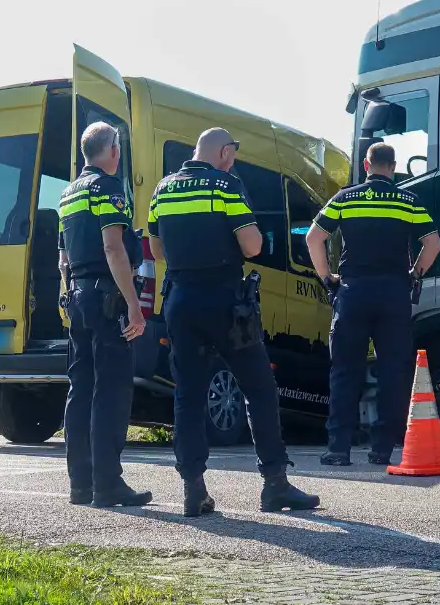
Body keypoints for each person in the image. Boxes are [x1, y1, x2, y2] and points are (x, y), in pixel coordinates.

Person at [147, 127, 320, 517]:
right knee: (258, 388)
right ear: (224, 152)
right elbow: (253, 245)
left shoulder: (163, 189)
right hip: (225, 302)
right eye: (234, 154)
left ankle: (194, 489)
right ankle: (274, 484)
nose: (234, 161)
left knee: (188, 395)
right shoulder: (226, 186)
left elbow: (157, 248)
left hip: (179, 301)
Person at [304, 142, 440, 466]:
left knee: (344, 371)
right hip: (393, 293)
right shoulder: (408, 200)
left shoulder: (346, 198)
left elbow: (313, 237)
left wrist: (328, 277)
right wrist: (414, 272)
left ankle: (338, 448)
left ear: (367, 165)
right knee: (393, 371)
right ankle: (382, 449)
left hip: (353, 293)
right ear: (392, 167)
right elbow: (433, 242)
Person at [58, 121, 152, 507]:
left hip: (79, 298)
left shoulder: (68, 193)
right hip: (106, 298)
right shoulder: (109, 188)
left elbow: (62, 259)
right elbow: (114, 249)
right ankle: (108, 484)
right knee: (110, 392)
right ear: (113, 150)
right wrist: (133, 305)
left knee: (80, 390)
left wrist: (66, 296)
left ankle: (81, 483)